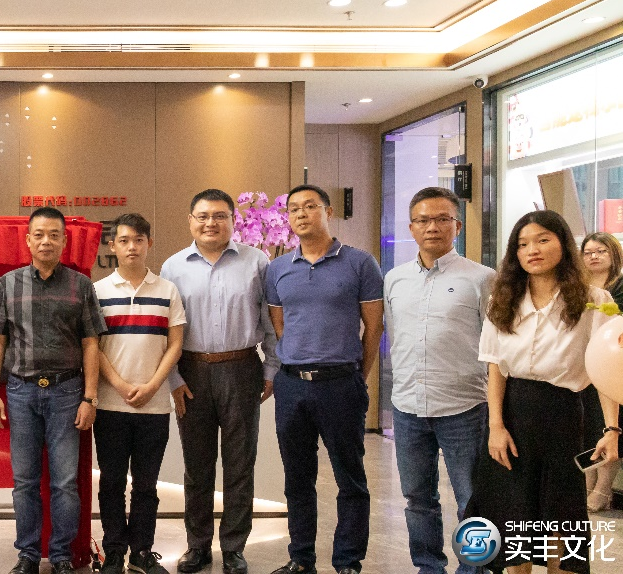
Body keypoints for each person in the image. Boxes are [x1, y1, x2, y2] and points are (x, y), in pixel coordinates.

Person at [471, 210, 619, 574]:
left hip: (564, 413)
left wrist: (612, 429)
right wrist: (495, 426)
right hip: (512, 413)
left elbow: (605, 367)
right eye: (522, 244)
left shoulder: (592, 298)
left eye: (542, 240)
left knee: (562, 519)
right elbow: (495, 366)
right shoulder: (502, 298)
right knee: (514, 518)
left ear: (563, 244)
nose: (532, 250)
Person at [0, 205, 107, 574]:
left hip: (67, 393)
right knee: (24, 482)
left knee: (65, 483)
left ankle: (62, 555)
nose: (46, 241)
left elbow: (91, 343)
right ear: (27, 240)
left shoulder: (80, 285)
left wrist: (89, 397)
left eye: (54, 235)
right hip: (20, 392)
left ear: (65, 241)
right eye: (39, 235)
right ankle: (28, 555)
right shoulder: (8, 283)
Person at [265, 185, 383, 574]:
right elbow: (281, 327)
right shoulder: (277, 268)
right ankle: (301, 559)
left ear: (328, 211)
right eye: (294, 209)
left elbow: (373, 328)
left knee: (350, 477)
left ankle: (348, 561)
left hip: (341, 384)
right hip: (292, 384)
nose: (301, 214)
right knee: (297, 478)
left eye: (310, 206)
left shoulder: (360, 263)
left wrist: (356, 376)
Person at [162, 189, 279, 574]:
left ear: (232, 219)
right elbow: (165, 330)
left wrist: (271, 368)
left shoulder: (257, 261)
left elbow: (270, 320)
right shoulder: (173, 267)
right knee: (197, 466)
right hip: (191, 372)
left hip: (241, 368)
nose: (210, 223)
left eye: (219, 215)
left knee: (240, 463)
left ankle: (233, 548)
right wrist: (173, 377)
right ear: (190, 220)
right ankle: (197, 546)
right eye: (202, 216)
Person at [384, 186, 494, 574]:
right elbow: (395, 334)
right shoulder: (394, 279)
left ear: (457, 226)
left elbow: (495, 344)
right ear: (411, 228)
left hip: (464, 406)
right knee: (418, 499)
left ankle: (473, 569)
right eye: (423, 220)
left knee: (472, 500)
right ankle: (428, 566)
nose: (432, 227)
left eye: (442, 219)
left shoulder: (482, 278)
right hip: (408, 406)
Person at [94, 213, 186, 574]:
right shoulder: (98, 291)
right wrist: (118, 384)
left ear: (149, 243)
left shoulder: (167, 290)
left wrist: (153, 385)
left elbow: (175, 344)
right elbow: (93, 346)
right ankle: (114, 551)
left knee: (146, 485)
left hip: (154, 406)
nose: (131, 247)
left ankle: (142, 552)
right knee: (112, 483)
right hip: (111, 404)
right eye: (124, 240)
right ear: (112, 246)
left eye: (138, 240)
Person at [580, 232, 623, 512]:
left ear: (613, 254)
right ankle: (588, 481)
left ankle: (603, 489)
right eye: (588, 252)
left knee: (612, 426)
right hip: (583, 367)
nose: (594, 256)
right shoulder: (577, 288)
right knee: (588, 427)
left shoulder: (621, 286)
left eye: (601, 251)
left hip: (614, 367)